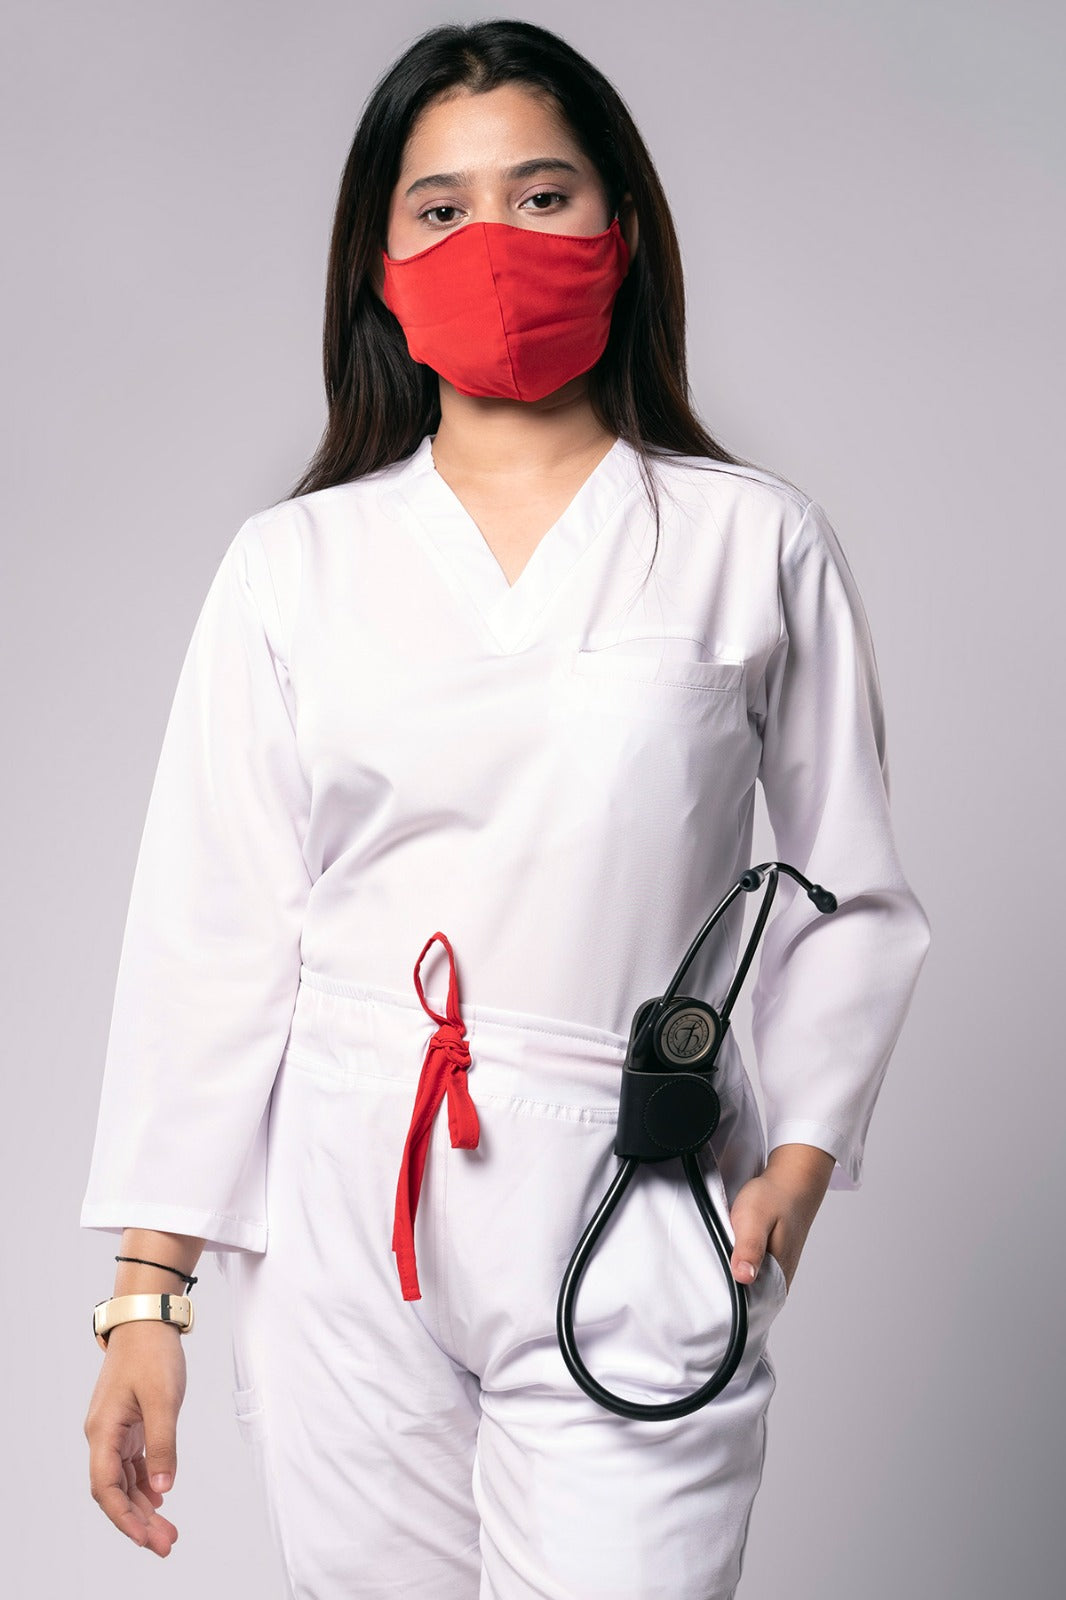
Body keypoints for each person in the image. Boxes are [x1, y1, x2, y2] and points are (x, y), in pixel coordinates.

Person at [80, 18, 932, 1600]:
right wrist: (147, 1298)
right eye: (441, 206)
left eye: (542, 196)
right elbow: (215, 933)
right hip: (349, 1199)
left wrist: (797, 1171)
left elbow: (850, 893)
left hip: (630, 1173)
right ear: (380, 263)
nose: (494, 240)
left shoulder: (748, 543)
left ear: (622, 230)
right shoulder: (295, 566)